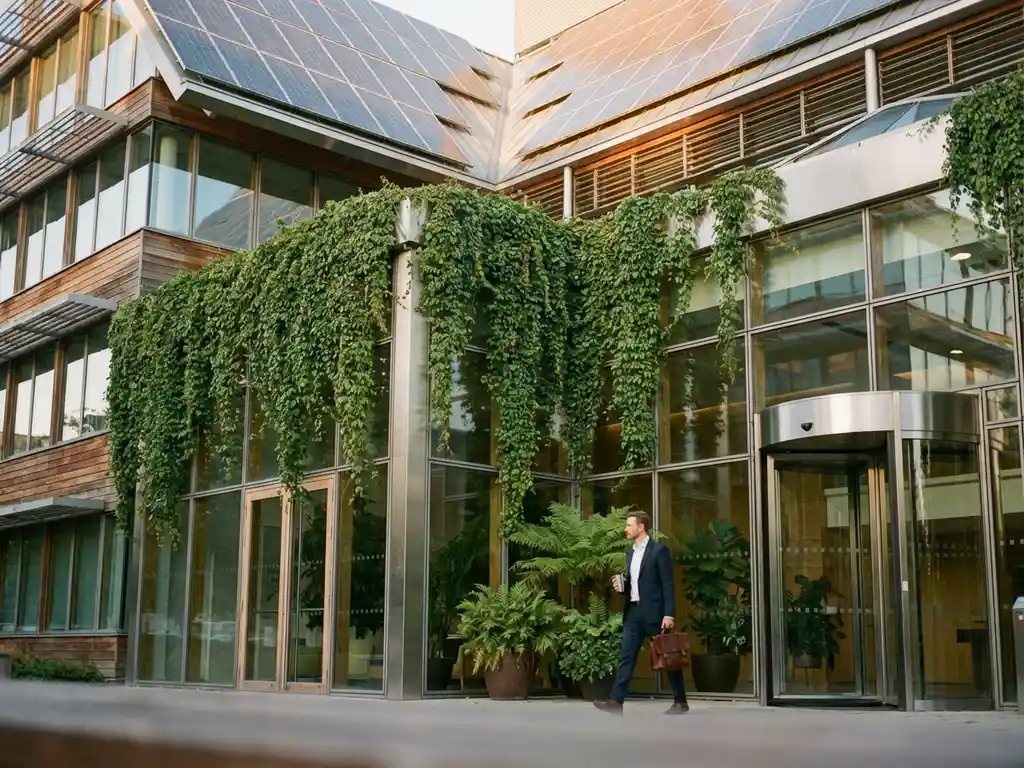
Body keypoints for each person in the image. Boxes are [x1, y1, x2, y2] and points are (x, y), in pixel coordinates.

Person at [594, 511, 689, 715]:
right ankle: (615, 702)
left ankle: (680, 700)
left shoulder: (658, 551)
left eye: (629, 525)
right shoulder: (630, 553)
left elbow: (667, 584)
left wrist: (669, 614)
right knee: (626, 656)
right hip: (633, 612)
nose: (625, 529)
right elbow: (635, 584)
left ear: (641, 527)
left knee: (668, 655)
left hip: (654, 613)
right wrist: (622, 588)